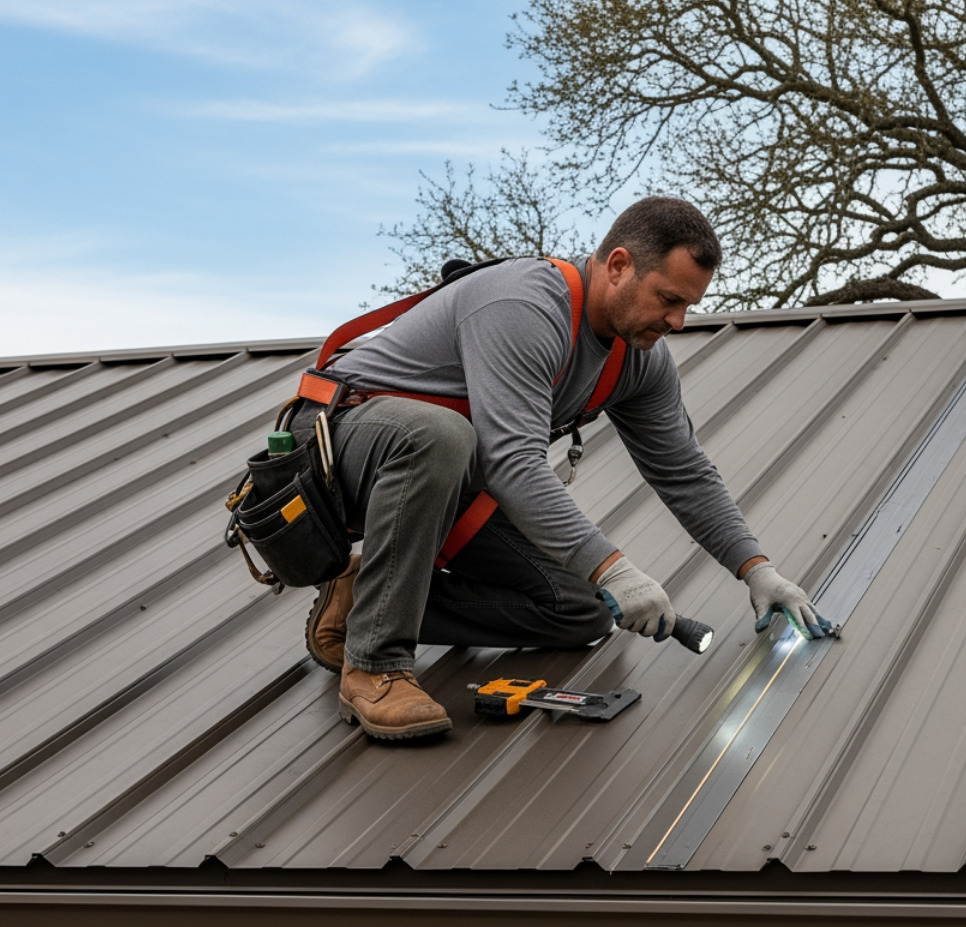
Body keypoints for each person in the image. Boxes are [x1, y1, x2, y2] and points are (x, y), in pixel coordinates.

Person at [292, 197, 822, 741]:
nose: (678, 322)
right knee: (440, 435)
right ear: (618, 266)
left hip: (441, 483)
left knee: (581, 609)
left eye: (687, 305)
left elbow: (683, 470)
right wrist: (614, 566)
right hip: (338, 447)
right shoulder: (524, 305)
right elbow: (512, 462)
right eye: (668, 299)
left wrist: (756, 568)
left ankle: (359, 603)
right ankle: (375, 665)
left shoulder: (638, 358)